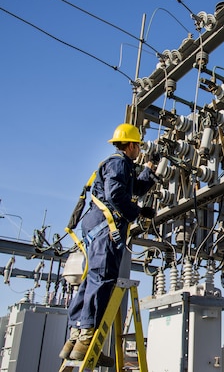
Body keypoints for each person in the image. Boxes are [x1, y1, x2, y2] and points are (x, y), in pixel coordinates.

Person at [59, 123, 158, 366]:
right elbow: (116, 194)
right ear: (132, 145)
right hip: (106, 228)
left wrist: (149, 168)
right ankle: (86, 339)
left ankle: (74, 340)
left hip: (96, 228)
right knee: (102, 278)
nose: (139, 151)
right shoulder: (118, 163)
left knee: (91, 280)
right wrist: (137, 211)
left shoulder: (118, 165)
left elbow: (133, 187)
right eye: (139, 148)